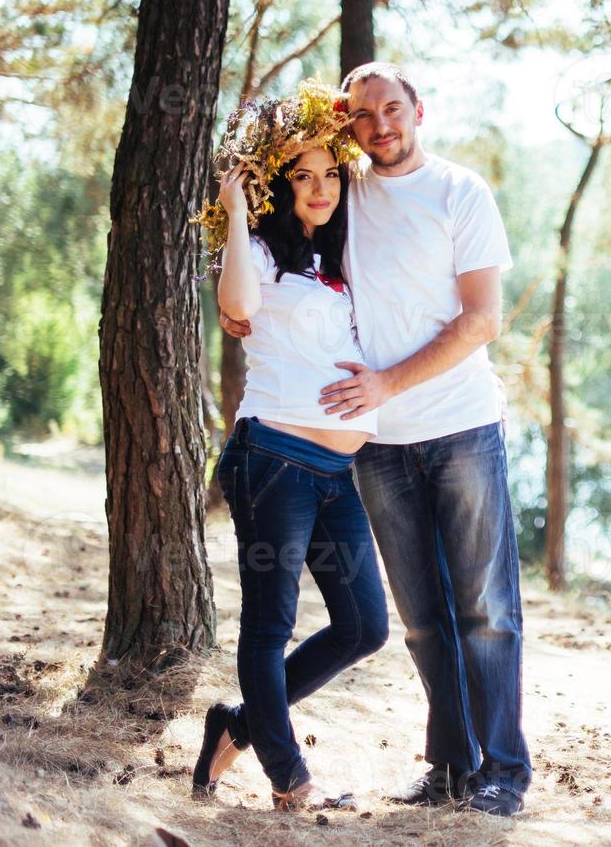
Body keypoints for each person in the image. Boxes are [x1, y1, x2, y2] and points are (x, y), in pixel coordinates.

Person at [220, 62, 532, 817]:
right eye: (364, 115)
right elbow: (285, 214)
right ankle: (452, 767)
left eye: (394, 109)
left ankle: (504, 771)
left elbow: (484, 318)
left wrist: (388, 383)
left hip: (460, 426)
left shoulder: (461, 192)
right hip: (377, 448)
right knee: (423, 618)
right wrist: (241, 297)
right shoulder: (345, 192)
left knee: (485, 608)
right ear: (346, 122)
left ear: (419, 110)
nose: (382, 125)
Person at [192, 83, 389, 811]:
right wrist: (239, 208)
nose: (319, 188)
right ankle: (287, 775)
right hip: (273, 459)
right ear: (279, 184)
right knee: (270, 622)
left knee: (364, 625)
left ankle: (235, 728)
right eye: (302, 176)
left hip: (337, 473)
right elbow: (239, 306)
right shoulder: (266, 254)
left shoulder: (342, 264)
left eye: (330, 174)